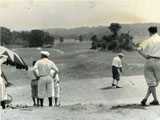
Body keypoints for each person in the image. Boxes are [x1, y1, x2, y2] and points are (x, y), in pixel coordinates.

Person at [137, 26, 160, 105]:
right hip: (159, 61)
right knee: (154, 83)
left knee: (151, 83)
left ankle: (152, 99)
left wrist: (145, 56)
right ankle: (149, 98)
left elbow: (138, 49)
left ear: (149, 32)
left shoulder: (148, 40)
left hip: (149, 61)